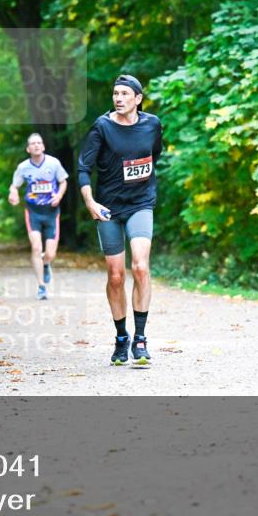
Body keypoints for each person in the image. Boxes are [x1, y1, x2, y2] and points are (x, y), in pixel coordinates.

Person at [77, 75, 163, 366]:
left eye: (125, 93)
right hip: (108, 208)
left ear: (138, 99)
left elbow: (154, 156)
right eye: (115, 93)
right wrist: (90, 202)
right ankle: (121, 337)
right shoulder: (102, 127)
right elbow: (83, 169)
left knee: (140, 267)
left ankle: (140, 339)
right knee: (116, 276)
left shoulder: (152, 124)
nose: (119, 98)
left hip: (140, 204)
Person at [8, 133, 69, 300]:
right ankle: (42, 286)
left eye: (39, 143)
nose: (36, 145)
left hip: (51, 212)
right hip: (33, 211)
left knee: (50, 253)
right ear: (28, 149)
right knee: (36, 247)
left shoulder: (53, 163)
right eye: (33, 144)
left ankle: (46, 263)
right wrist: (13, 193)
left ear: (43, 146)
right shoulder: (23, 167)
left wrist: (59, 196)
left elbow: (63, 181)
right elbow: (14, 186)